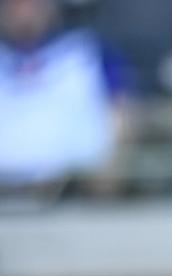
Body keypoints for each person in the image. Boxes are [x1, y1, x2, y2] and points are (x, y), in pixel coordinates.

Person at [0, 0, 133, 196]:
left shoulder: (85, 48)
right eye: (16, 5)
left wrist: (114, 157)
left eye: (32, 5)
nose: (25, 12)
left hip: (75, 184)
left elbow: (122, 107)